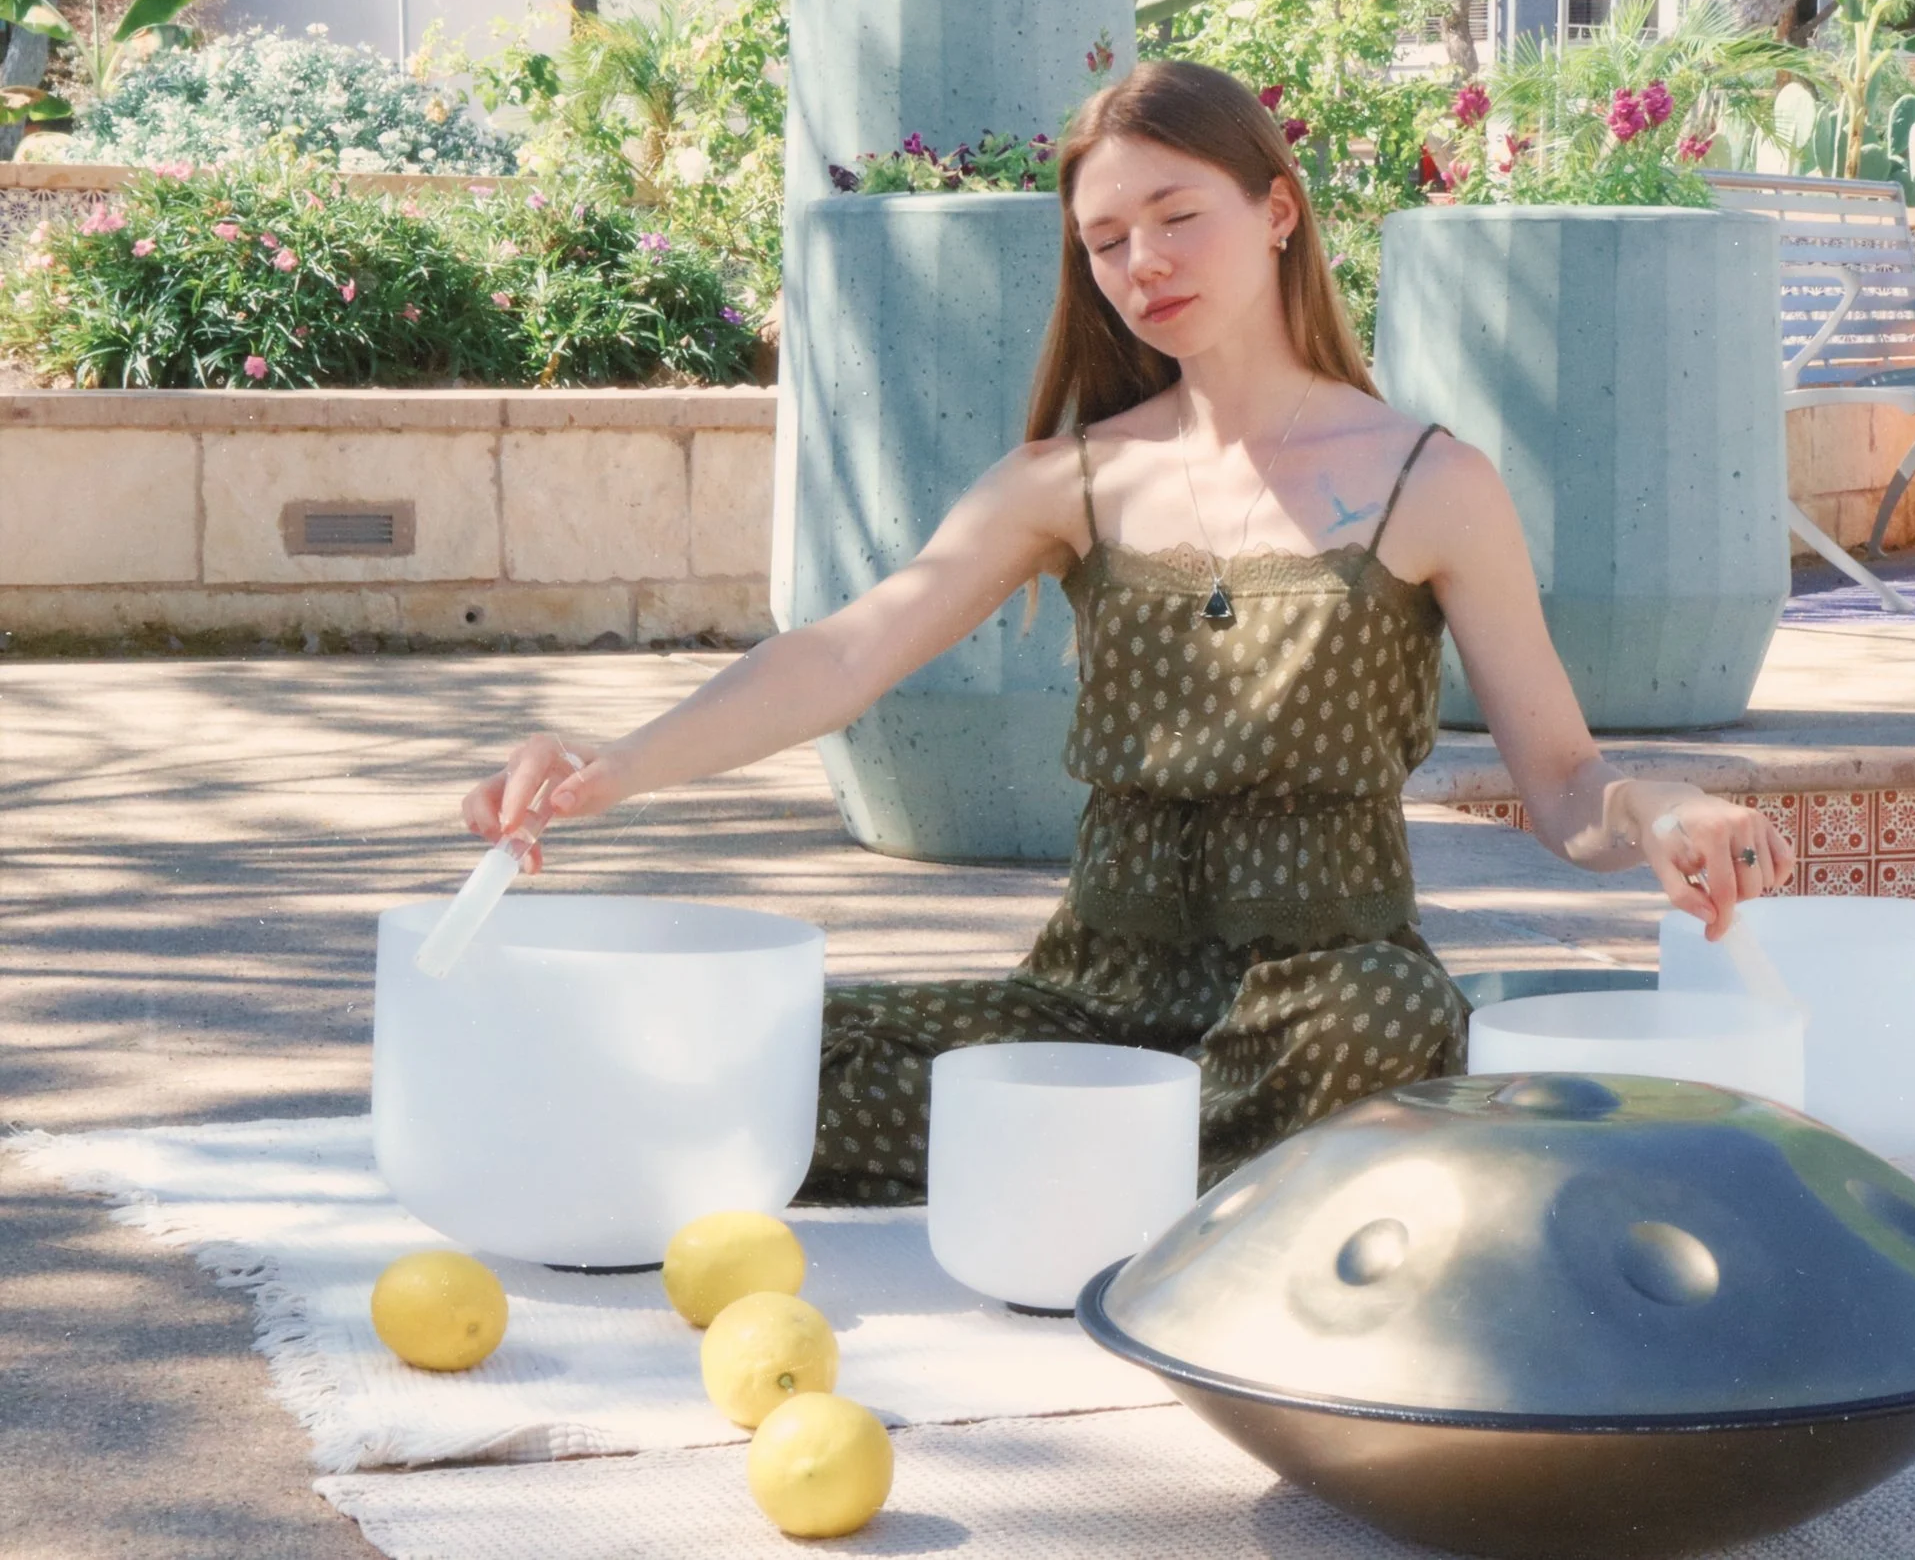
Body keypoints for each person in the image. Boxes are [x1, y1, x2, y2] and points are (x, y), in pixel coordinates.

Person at [459, 60, 1796, 1206]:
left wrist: (1660, 805)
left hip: (1321, 1009)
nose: (1143, 261)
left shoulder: (1432, 483)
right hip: (1091, 1004)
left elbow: (1563, 783)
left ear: (1277, 211)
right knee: (784, 1058)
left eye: (1177, 215)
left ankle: (1074, 1180)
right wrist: (612, 765)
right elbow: (842, 652)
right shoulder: (1071, 482)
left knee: (1387, 1025)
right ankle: (1153, 1182)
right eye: (1107, 239)